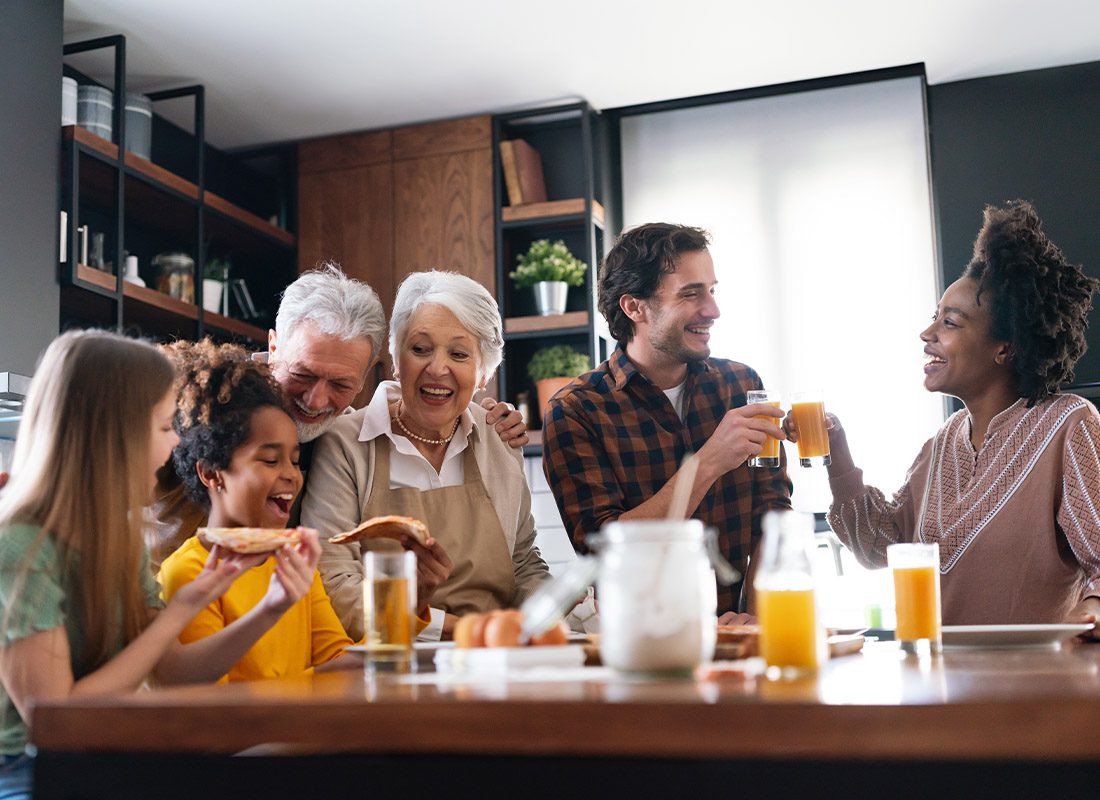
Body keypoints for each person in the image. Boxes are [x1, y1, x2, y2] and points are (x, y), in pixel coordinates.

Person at [0, 331, 287, 799]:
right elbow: (57, 716)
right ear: (112, 437)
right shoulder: (20, 547)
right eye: (161, 426)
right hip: (29, 776)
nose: (176, 442)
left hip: (102, 763)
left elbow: (171, 673)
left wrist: (268, 609)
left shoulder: (116, 536)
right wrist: (178, 612)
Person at [814, 201, 1100, 630]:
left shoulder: (1068, 425)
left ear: (1005, 347)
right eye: (934, 318)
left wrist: (1092, 610)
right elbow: (880, 547)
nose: (927, 334)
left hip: (1037, 682)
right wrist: (836, 453)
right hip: (944, 682)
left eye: (949, 322)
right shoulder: (943, 442)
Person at [149, 263, 529, 566]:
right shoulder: (191, 400)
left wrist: (487, 412)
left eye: (341, 384)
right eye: (302, 375)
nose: (316, 401)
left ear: (367, 375)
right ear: (273, 345)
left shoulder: (338, 433)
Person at [541, 223, 793, 616]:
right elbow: (602, 549)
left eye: (712, 290)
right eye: (691, 294)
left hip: (742, 636)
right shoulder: (575, 411)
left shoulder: (742, 385)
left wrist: (756, 622)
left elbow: (773, 517)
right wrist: (708, 463)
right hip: (642, 645)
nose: (713, 310)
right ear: (634, 307)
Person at [157, 340, 445, 679]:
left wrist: (410, 601)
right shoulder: (187, 572)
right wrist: (271, 609)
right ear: (211, 474)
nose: (290, 476)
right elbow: (212, 705)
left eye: (294, 461)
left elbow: (340, 664)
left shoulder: (294, 563)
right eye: (269, 460)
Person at [303, 271, 551, 641]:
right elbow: (334, 584)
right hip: (387, 660)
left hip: (491, 664)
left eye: (459, 353)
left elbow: (524, 564)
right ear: (395, 357)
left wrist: (547, 616)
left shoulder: (499, 437)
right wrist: (459, 630)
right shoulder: (346, 443)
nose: (437, 368)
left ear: (483, 371)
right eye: (420, 349)